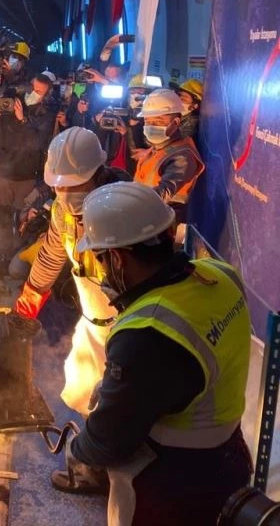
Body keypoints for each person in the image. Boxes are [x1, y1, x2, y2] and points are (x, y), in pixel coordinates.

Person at [69, 181, 252, 525]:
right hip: (231, 461)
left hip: (172, 485)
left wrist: (78, 448)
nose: (104, 271)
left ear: (117, 258)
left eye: (102, 259)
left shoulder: (147, 330)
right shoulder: (221, 275)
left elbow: (108, 442)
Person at [12, 127, 131, 493]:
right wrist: (27, 303)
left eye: (74, 185)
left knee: (113, 403)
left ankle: (108, 474)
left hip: (127, 323)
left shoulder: (124, 204)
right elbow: (52, 252)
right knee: (82, 387)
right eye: (59, 186)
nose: (65, 193)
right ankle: (97, 464)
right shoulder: (63, 209)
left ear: (99, 172)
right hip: (94, 319)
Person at [0, 73, 57, 274]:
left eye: (39, 92)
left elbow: (36, 144)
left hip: (26, 175)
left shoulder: (45, 114)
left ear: (45, 95)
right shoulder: (9, 102)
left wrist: (22, 120)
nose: (33, 93)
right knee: (1, 217)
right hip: (3, 172)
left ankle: (15, 257)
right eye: (32, 88)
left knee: (23, 218)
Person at [133, 89, 204, 225]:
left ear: (176, 122)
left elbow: (165, 191)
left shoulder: (182, 156)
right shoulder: (158, 149)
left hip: (164, 224)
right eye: (148, 121)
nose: (151, 126)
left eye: (158, 121)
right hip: (145, 219)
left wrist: (130, 204)